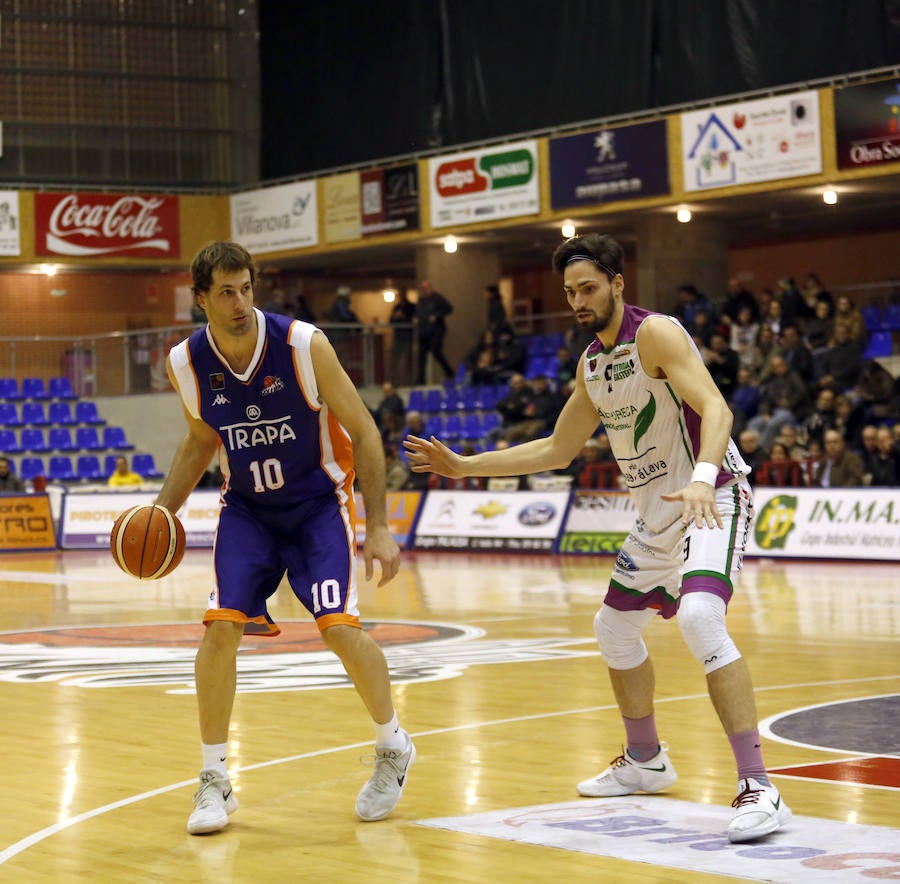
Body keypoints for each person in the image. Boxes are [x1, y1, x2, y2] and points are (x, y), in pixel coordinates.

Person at [405, 232, 790, 843]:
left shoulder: (655, 334)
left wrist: (701, 476)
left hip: (712, 497)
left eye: (588, 287)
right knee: (612, 628)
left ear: (617, 283)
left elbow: (717, 410)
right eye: (569, 292)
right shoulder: (592, 363)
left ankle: (759, 786)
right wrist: (464, 465)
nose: (578, 299)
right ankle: (646, 760)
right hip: (655, 516)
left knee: (698, 619)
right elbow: (557, 449)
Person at [146, 242, 411, 835]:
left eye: (245, 288)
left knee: (339, 631)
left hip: (318, 507)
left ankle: (393, 745)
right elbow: (199, 441)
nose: (239, 303)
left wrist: (379, 526)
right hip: (247, 511)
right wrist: (161, 514)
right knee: (219, 628)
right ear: (201, 299)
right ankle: (214, 777)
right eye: (225, 292)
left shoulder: (302, 344)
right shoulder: (187, 362)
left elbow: (366, 432)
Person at [415, 279, 454, 384]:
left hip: (436, 331)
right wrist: (416, 318)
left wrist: (436, 316)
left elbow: (449, 308)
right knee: (421, 357)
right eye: (423, 288)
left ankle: (449, 372)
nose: (424, 290)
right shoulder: (421, 300)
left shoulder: (438, 298)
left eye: (426, 287)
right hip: (424, 331)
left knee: (436, 352)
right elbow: (418, 312)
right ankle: (421, 380)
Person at [388, 289, 416, 385]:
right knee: (395, 360)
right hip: (398, 337)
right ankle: (396, 381)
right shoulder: (396, 307)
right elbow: (390, 321)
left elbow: (413, 320)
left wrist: (403, 317)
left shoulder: (411, 307)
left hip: (407, 337)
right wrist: (396, 317)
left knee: (407, 361)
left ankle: (408, 382)